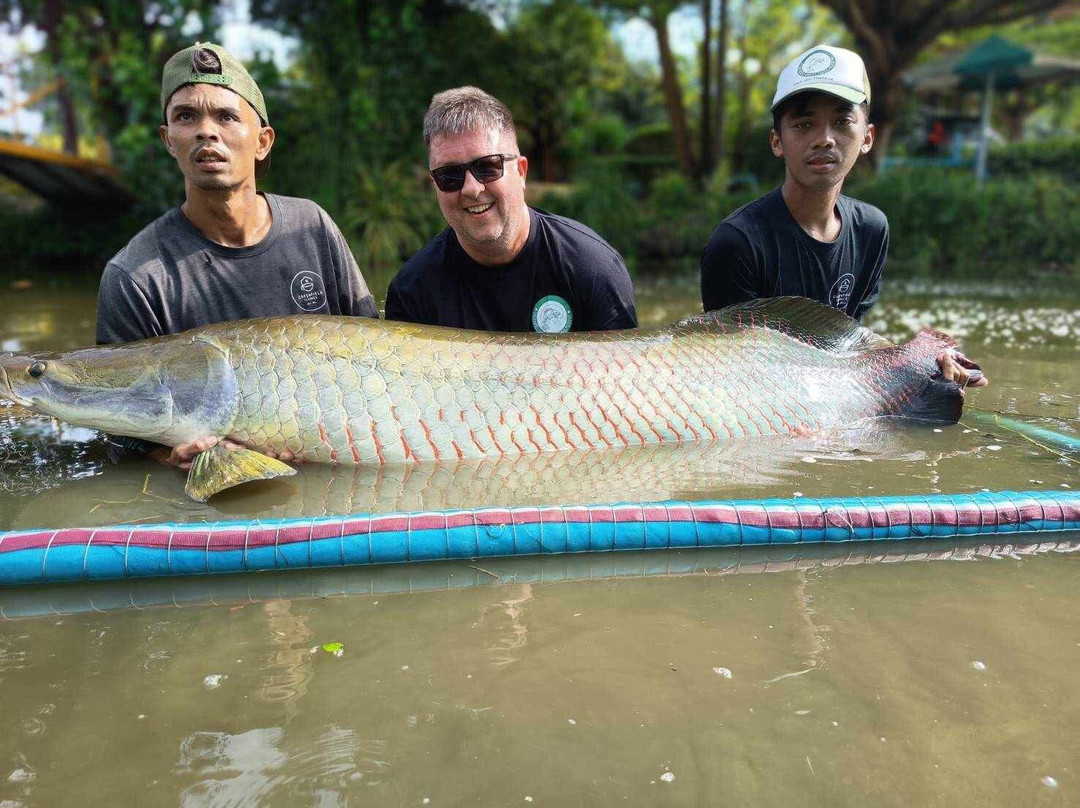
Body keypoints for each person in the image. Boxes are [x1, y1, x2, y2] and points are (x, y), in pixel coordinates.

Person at [96, 41, 379, 466]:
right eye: (185, 116)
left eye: (226, 116)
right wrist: (166, 457)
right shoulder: (135, 275)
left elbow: (373, 351)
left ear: (263, 141)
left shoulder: (313, 225)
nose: (206, 131)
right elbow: (120, 431)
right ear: (168, 140)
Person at [700, 45, 984, 387]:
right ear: (777, 142)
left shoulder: (871, 229)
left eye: (841, 122)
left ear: (867, 137)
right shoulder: (737, 242)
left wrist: (924, 364)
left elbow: (850, 345)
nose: (824, 139)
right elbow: (732, 376)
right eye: (804, 124)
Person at [385, 86, 637, 334]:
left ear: (521, 172)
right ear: (435, 186)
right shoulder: (412, 292)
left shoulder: (593, 268)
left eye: (487, 166)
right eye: (449, 175)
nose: (472, 189)